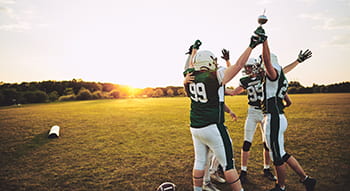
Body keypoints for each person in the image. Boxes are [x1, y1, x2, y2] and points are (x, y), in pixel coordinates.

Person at [183, 36, 264, 191]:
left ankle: (198, 189)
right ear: (208, 62)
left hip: (195, 127)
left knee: (199, 161)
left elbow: (188, 65)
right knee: (228, 165)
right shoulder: (214, 75)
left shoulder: (189, 76)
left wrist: (193, 52)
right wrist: (251, 46)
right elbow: (239, 65)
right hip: (213, 126)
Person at [227, 49, 312, 184]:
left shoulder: (266, 76)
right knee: (251, 143)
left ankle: (270, 172)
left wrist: (297, 61)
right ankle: (244, 170)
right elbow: (233, 89)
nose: (247, 69)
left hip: (267, 114)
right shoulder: (248, 79)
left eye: (249, 67)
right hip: (256, 112)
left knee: (270, 146)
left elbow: (282, 70)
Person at [255, 27, 316, 191]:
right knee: (282, 152)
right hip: (277, 116)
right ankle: (306, 179)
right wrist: (297, 61)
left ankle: (280, 187)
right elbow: (282, 69)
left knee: (277, 156)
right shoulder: (280, 76)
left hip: (273, 117)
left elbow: (268, 63)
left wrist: (264, 42)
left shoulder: (272, 73)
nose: (262, 64)